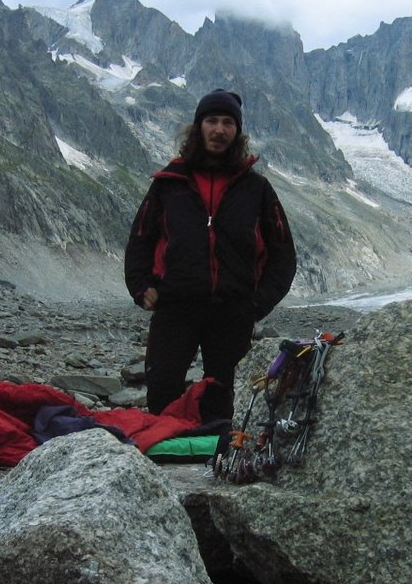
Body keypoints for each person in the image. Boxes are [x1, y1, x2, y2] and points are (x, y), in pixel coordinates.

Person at [124, 89, 297, 424]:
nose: (219, 129)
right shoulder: (169, 184)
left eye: (228, 122)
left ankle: (217, 471)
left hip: (232, 312)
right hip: (175, 308)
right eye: (212, 121)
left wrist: (258, 303)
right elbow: (140, 239)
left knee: (226, 406)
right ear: (198, 127)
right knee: (162, 396)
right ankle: (164, 471)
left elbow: (283, 254)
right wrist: (140, 285)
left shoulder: (256, 189)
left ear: (238, 131)